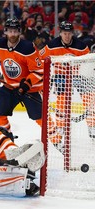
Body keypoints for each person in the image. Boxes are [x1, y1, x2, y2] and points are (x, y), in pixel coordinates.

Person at [0, 18, 44, 135]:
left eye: (15, 31)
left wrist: (27, 84)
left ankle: (58, 141)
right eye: (10, 31)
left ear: (19, 32)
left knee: (41, 118)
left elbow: (39, 71)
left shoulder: (27, 48)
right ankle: (7, 138)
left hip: (30, 89)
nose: (13, 34)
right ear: (5, 31)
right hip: (9, 86)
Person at [39, 21, 90, 151]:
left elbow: (89, 63)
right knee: (61, 101)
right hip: (60, 75)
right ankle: (61, 127)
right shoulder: (51, 46)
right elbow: (39, 59)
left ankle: (92, 126)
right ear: (60, 33)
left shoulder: (82, 47)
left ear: (73, 33)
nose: (67, 36)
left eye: (69, 33)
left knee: (89, 98)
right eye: (64, 33)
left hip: (78, 75)